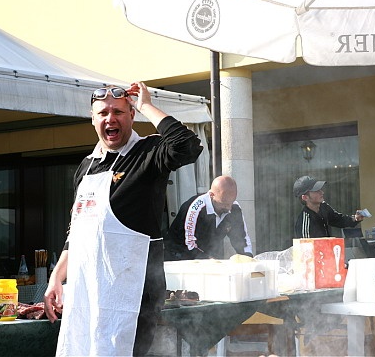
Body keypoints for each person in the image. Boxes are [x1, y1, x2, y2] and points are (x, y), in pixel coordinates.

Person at [43, 82, 203, 356]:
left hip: (133, 293)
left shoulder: (149, 152)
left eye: (118, 112)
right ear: (93, 119)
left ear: (131, 115)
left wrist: (146, 105)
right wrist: (56, 278)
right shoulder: (87, 166)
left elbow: (187, 146)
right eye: (103, 113)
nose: (110, 119)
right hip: (88, 292)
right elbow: (78, 231)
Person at [164, 175, 253, 260]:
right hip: (179, 256)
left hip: (209, 255)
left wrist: (248, 258)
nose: (229, 208)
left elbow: (241, 238)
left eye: (231, 202)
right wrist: (208, 260)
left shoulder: (234, 208)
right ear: (211, 195)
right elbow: (189, 244)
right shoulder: (195, 208)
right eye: (224, 203)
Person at [293, 175, 363, 238]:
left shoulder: (323, 206)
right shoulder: (304, 222)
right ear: (305, 197)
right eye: (316, 191)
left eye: (320, 189)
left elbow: (338, 219)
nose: (322, 192)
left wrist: (355, 218)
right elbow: (307, 246)